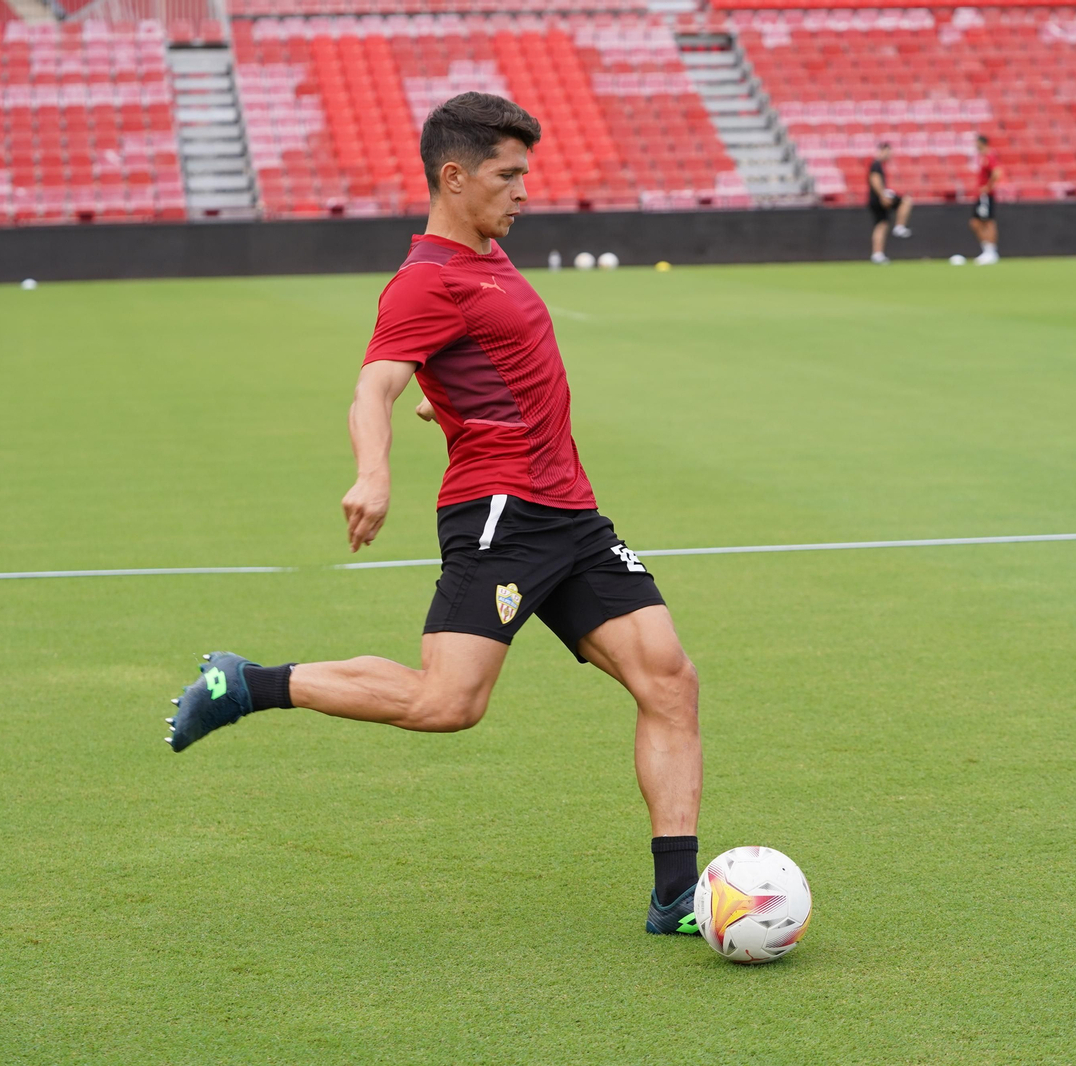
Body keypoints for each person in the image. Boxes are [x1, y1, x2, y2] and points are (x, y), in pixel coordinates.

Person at [162, 93, 705, 937]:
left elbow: (482, 364)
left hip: (571, 513)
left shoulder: (490, 254)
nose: (524, 190)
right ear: (454, 178)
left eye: (526, 173)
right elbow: (375, 384)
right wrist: (373, 473)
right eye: (507, 175)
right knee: (448, 702)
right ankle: (248, 684)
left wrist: (446, 403)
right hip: (502, 515)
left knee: (668, 679)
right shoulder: (427, 280)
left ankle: (676, 896)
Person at [867, 141, 912, 264]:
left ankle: (877, 254)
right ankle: (899, 226)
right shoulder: (876, 164)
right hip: (879, 198)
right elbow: (874, 179)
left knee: (882, 225)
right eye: (888, 152)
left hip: (878, 197)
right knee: (906, 201)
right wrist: (882, 195)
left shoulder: (879, 165)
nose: (889, 155)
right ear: (882, 151)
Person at [969, 133, 1002, 265]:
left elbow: (997, 172)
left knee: (987, 222)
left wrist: (987, 187)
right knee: (976, 223)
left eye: (976, 142)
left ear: (982, 143)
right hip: (980, 195)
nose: (975, 145)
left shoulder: (989, 156)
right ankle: (987, 250)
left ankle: (991, 252)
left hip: (985, 195)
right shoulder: (982, 157)